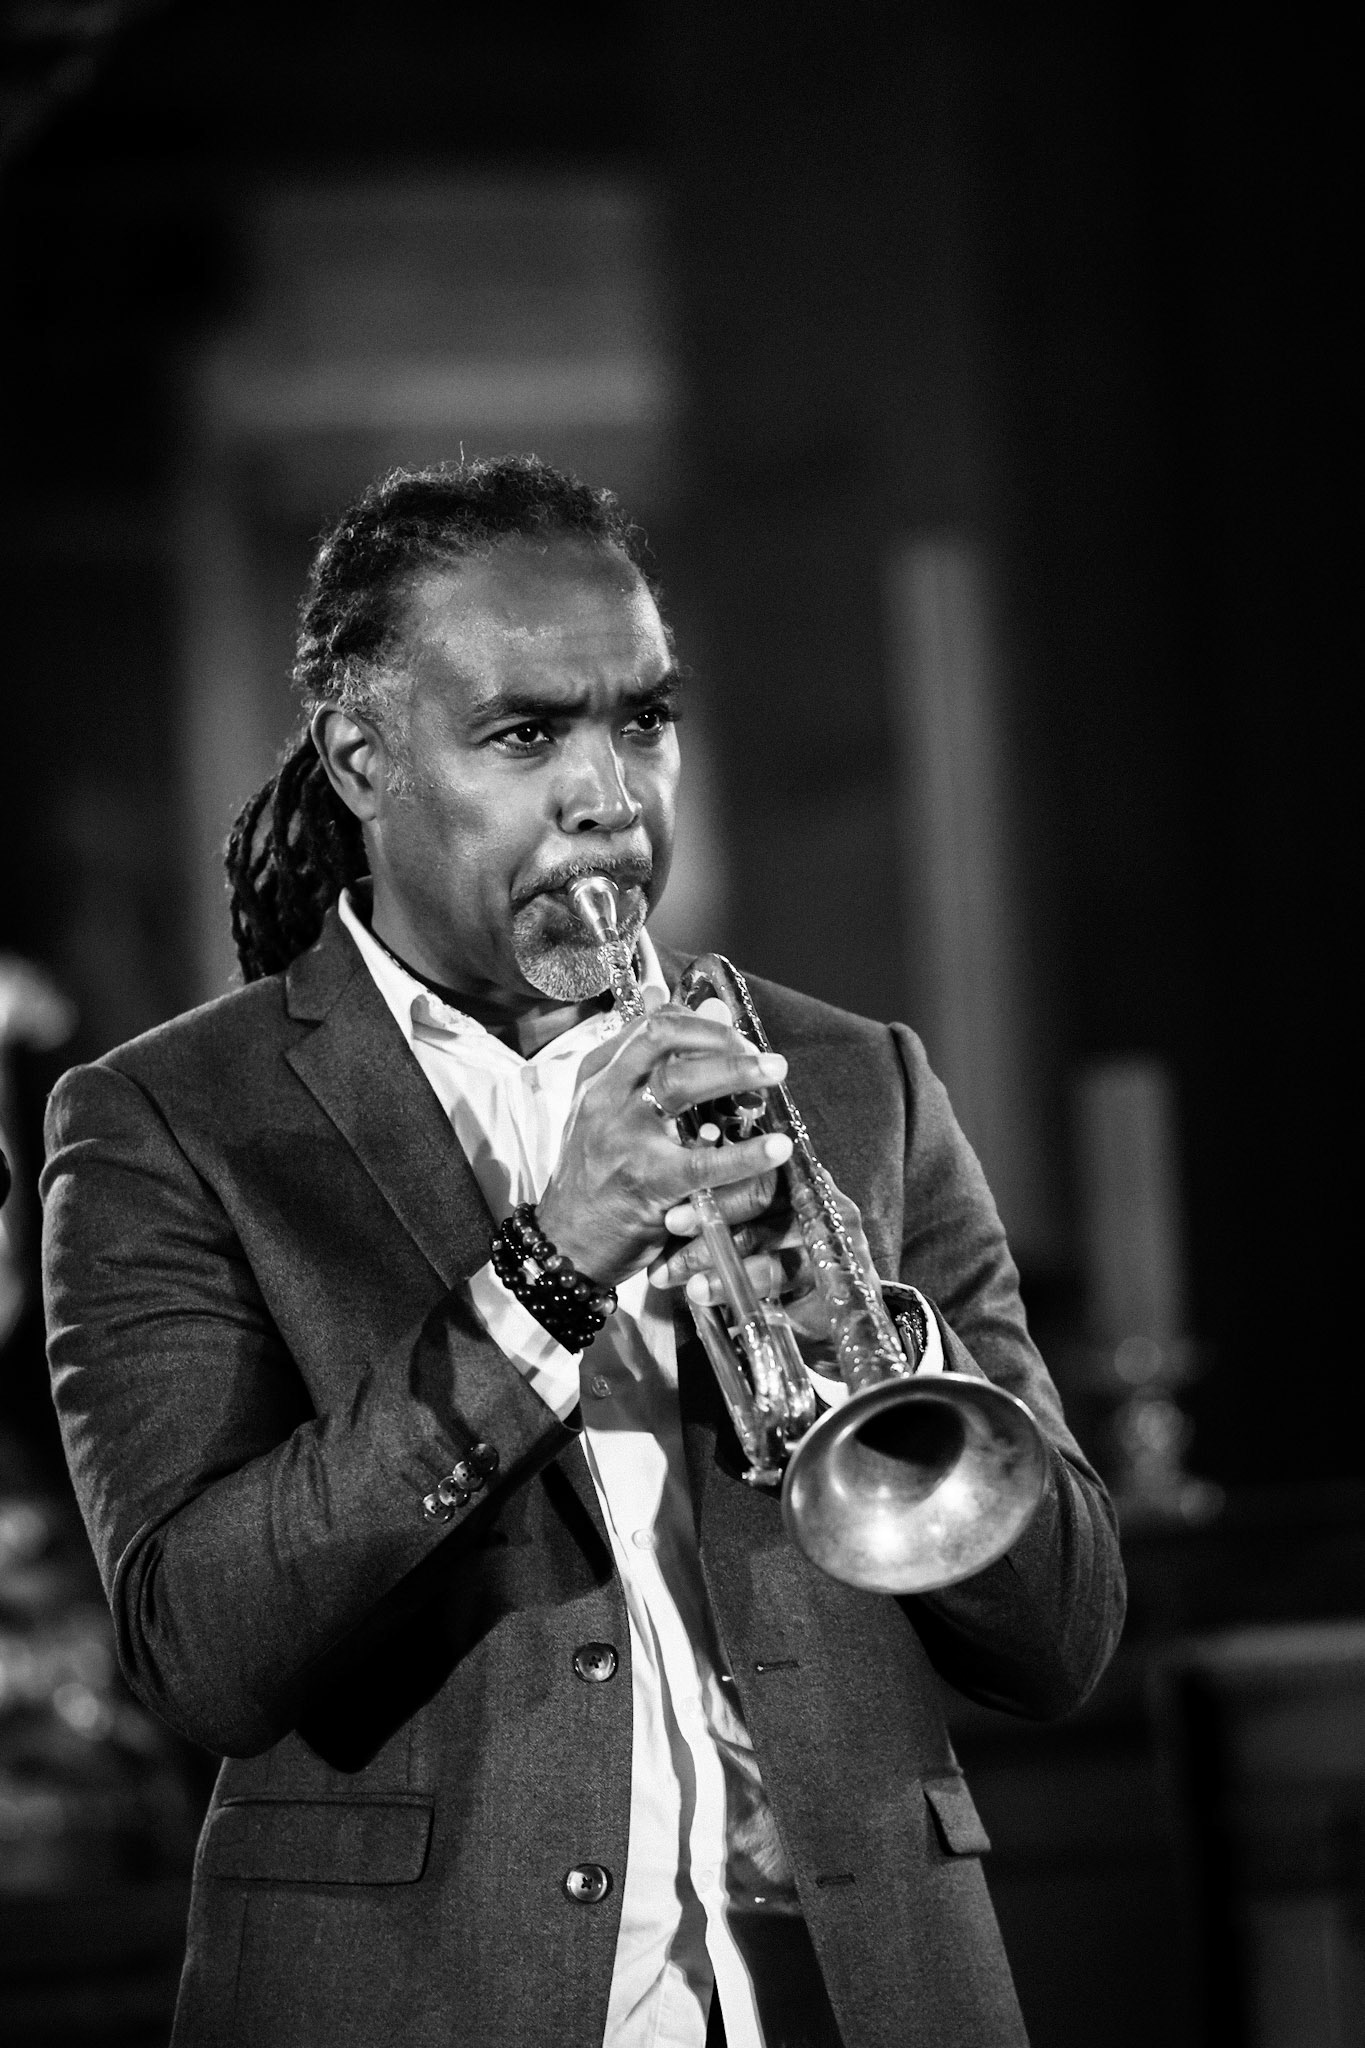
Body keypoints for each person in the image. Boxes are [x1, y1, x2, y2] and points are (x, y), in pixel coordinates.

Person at [41, 457, 1125, 2048]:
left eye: (643, 719)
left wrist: (869, 1336)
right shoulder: (167, 1118)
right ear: (361, 759)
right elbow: (199, 1653)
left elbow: (1061, 1640)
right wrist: (548, 1272)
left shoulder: (848, 1080)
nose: (610, 795)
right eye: (526, 733)